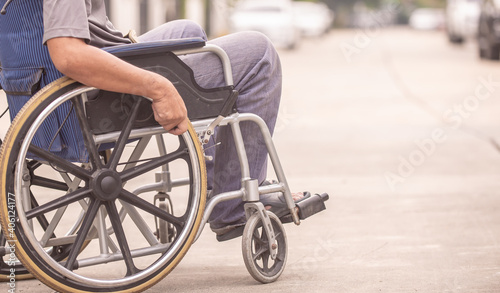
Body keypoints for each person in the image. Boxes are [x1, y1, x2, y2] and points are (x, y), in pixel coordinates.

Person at [7, 0, 304, 241]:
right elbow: (69, 55)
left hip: (47, 98)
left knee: (188, 31)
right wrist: (158, 88)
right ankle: (231, 204)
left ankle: (217, 176)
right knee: (259, 51)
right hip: (95, 100)